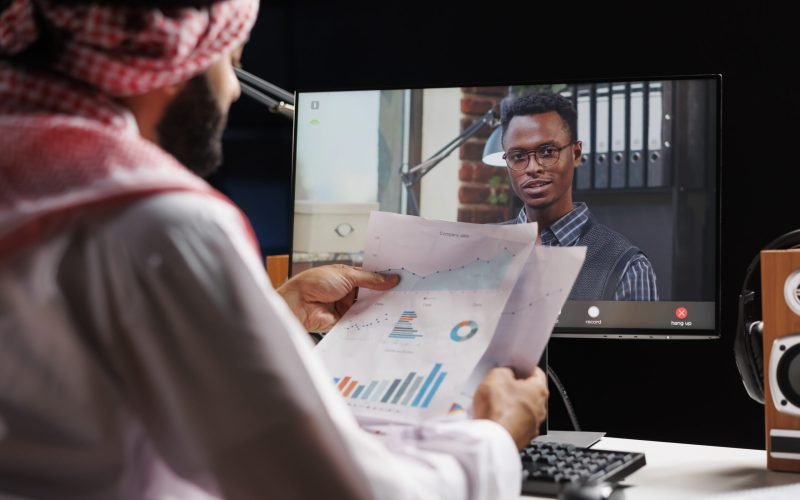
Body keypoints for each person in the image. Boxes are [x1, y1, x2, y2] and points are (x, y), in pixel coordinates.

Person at [0, 1, 549, 499]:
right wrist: (496, 438)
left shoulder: (30, 182)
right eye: (230, 61)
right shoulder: (158, 223)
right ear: (172, 62)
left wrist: (268, 313)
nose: (234, 90)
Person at [499, 91, 658, 301]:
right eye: (518, 156)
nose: (533, 167)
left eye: (547, 152)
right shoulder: (481, 251)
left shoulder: (627, 268)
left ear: (576, 154)